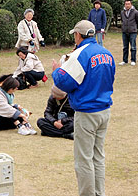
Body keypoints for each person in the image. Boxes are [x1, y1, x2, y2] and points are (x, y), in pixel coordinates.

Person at [52, 20, 115, 196]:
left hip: (87, 111)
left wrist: (57, 70)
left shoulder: (81, 54)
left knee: (84, 159)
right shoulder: (107, 53)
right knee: (98, 156)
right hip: (104, 109)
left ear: (78, 35)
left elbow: (64, 82)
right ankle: (98, 192)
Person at [119, 0, 138, 66]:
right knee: (125, 47)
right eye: (126, 4)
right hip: (124, 31)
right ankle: (125, 60)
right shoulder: (122, 12)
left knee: (133, 47)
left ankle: (133, 60)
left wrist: (135, 28)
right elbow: (122, 20)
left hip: (132, 31)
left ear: (131, 4)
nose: (127, 5)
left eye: (128, 4)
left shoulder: (136, 12)